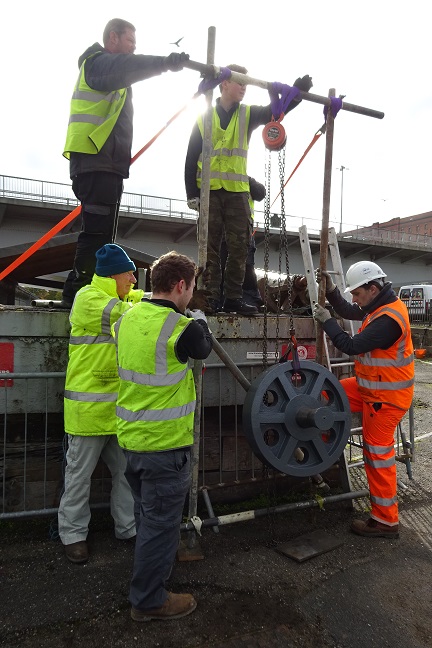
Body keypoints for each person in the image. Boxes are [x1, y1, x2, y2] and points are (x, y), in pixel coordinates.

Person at [60, 18, 189, 309]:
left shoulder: (109, 73)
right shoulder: (97, 65)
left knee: (103, 235)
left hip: (106, 164)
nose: (133, 48)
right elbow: (128, 68)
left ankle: (89, 292)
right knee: (96, 233)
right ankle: (78, 294)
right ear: (113, 38)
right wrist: (165, 63)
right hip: (95, 161)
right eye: (130, 41)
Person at [113, 251, 213, 622]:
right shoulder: (181, 327)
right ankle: (149, 600)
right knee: (159, 524)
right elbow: (202, 346)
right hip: (165, 447)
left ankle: (150, 575)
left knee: (147, 515)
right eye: (191, 290)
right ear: (181, 285)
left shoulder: (126, 319)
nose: (191, 297)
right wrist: (198, 320)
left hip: (132, 440)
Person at [184, 64, 312, 315]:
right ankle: (209, 298)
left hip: (237, 191)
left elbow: (275, 112)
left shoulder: (247, 114)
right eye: (239, 82)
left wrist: (297, 93)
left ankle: (233, 298)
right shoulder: (204, 117)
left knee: (239, 248)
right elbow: (190, 158)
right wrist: (191, 193)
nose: (244, 87)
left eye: (246, 83)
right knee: (209, 249)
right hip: (209, 190)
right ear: (224, 85)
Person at [313, 261, 414, 539]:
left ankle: (385, 521)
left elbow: (350, 346)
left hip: (385, 398)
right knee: (327, 391)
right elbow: (348, 309)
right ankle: (318, 443)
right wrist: (333, 291)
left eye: (357, 293)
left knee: (377, 454)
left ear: (372, 288)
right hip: (372, 387)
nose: (354, 299)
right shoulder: (380, 305)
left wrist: (327, 321)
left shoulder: (388, 320)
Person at [58, 243, 144, 563]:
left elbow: (139, 301)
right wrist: (167, 305)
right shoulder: (89, 299)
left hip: (114, 412)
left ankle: (127, 527)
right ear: (113, 275)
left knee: (125, 473)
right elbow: (129, 316)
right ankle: (73, 535)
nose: (134, 279)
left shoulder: (119, 297)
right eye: (129, 274)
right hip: (88, 413)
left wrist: (164, 298)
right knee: (78, 477)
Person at [219, 176, 266, 310]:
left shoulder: (242, 179)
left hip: (240, 232)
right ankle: (231, 300)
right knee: (231, 267)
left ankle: (247, 299)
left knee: (244, 268)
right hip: (229, 232)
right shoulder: (222, 180)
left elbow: (260, 193)